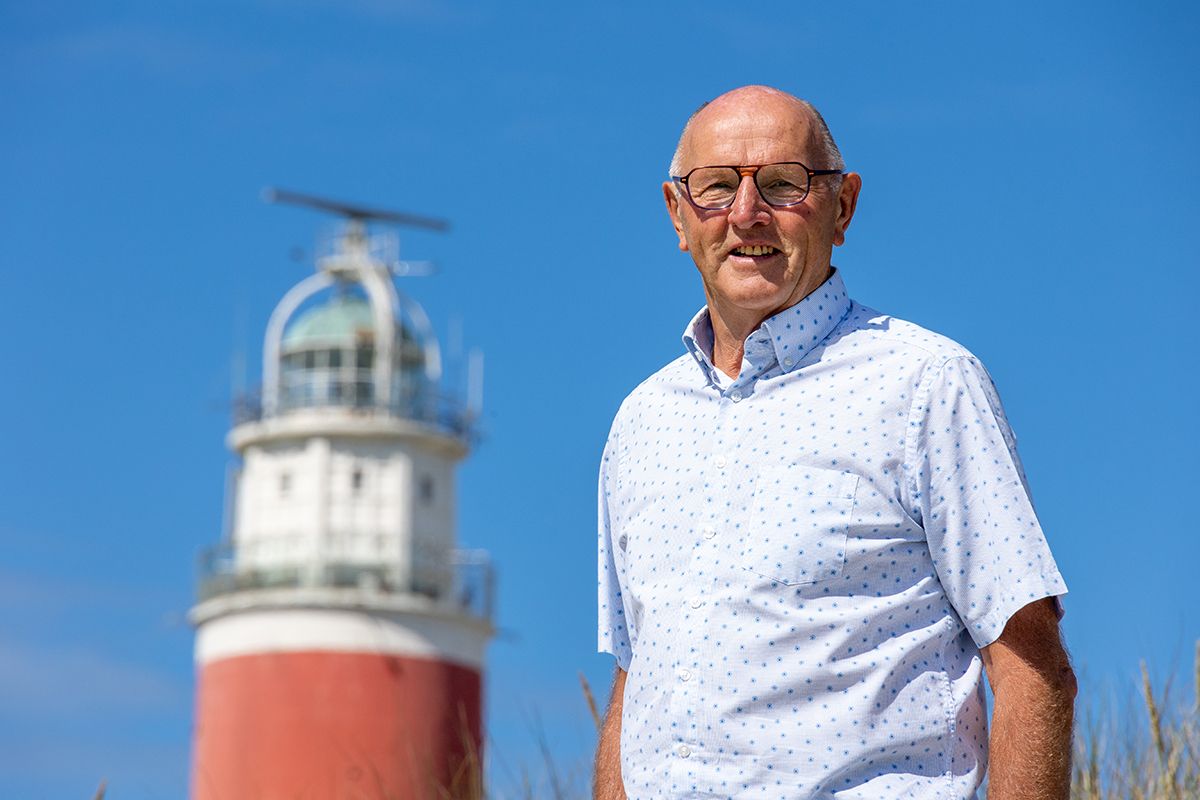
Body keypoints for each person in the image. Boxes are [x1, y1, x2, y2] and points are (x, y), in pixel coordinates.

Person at [594, 85, 1076, 800]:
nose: (747, 213)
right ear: (678, 215)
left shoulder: (926, 385)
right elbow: (636, 687)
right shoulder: (641, 421)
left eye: (784, 184)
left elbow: (1034, 670)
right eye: (717, 187)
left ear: (842, 206)